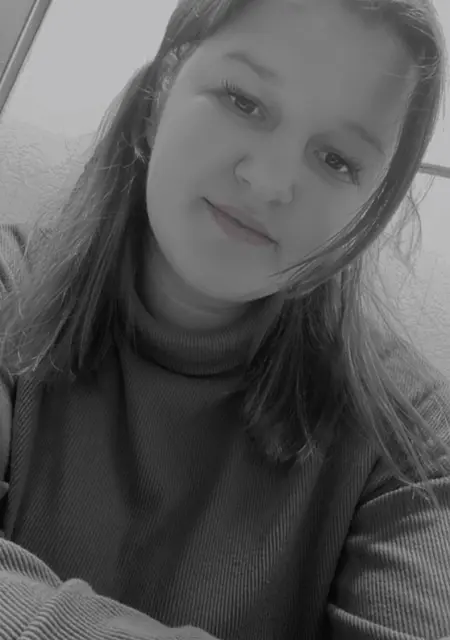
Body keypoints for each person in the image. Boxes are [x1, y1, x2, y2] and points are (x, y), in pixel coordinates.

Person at [0, 0, 449, 638]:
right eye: (244, 101)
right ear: (160, 92)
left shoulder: (413, 438)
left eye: (337, 160)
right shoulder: (10, 287)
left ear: (367, 212)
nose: (268, 181)